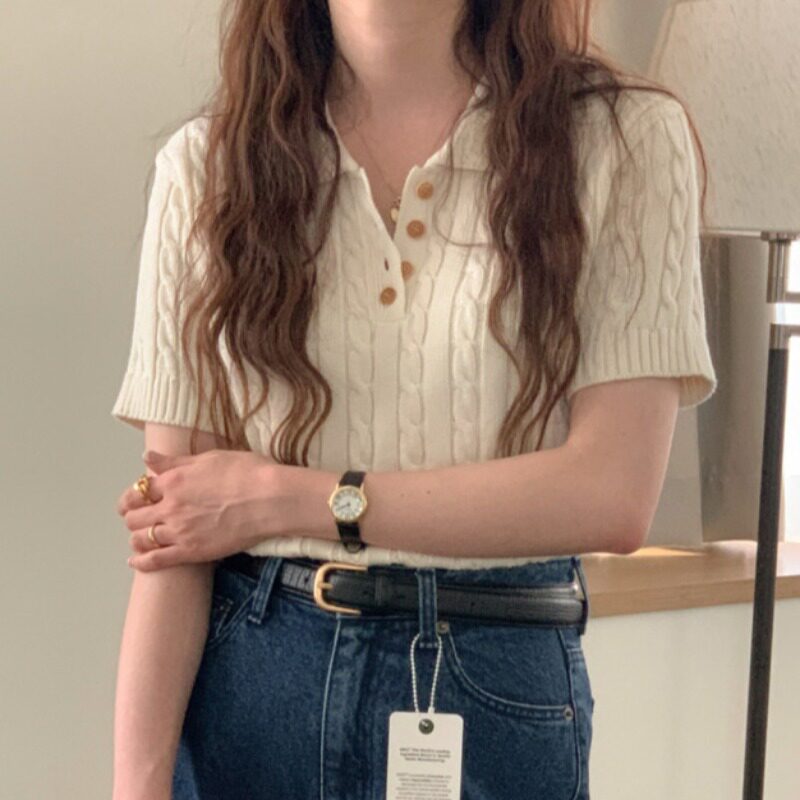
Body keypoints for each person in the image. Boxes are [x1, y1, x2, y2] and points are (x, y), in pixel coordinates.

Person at [110, 1, 718, 798]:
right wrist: (136, 784)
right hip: (251, 679)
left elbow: (612, 494)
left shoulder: (623, 141)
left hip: (494, 677)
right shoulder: (207, 168)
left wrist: (290, 498)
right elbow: (175, 535)